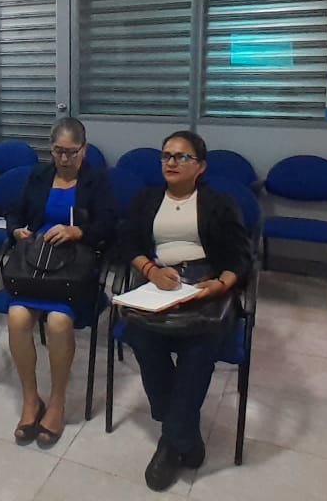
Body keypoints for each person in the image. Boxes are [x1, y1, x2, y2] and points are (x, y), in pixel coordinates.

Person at [119, 130, 251, 491]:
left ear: (200, 166)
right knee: (141, 337)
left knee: (199, 348)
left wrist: (221, 283)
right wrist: (150, 270)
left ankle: (171, 440)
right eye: (166, 156)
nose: (171, 162)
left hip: (206, 287)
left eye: (181, 157)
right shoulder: (146, 199)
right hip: (158, 283)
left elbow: (242, 257)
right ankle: (186, 436)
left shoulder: (219, 204)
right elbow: (127, 242)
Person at [5, 118, 117, 448]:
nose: (65, 159)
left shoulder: (97, 180)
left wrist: (77, 231)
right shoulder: (40, 175)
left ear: (84, 149)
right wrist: (16, 230)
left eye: (72, 152)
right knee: (17, 317)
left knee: (57, 322)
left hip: (74, 269)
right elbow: (15, 212)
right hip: (35, 266)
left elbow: (110, 225)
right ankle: (31, 399)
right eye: (58, 151)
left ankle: (57, 401)